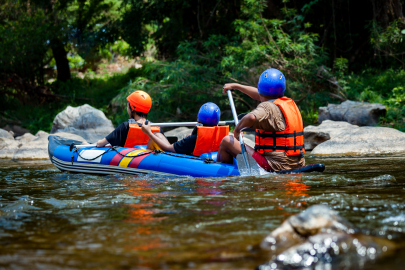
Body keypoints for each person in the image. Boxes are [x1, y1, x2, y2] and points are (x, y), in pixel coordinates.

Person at [217, 68, 305, 172]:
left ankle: (224, 176)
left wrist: (237, 131)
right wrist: (236, 86)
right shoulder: (286, 103)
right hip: (297, 164)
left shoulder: (267, 108)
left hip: (274, 165)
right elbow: (259, 95)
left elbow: (251, 117)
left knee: (227, 141)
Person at [141, 102, 229, 156]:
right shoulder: (220, 137)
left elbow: (168, 148)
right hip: (207, 158)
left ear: (199, 117)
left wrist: (149, 133)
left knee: (156, 135)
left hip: (193, 161)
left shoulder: (193, 139)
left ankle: (145, 159)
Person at [94, 90, 168, 149]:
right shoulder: (157, 129)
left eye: (127, 106)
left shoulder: (125, 127)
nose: (127, 109)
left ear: (132, 108)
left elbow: (100, 144)